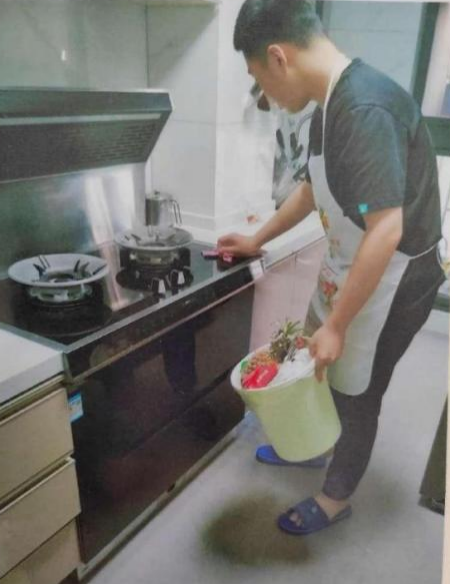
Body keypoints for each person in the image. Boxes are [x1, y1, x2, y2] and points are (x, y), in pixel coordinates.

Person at [217, 0, 446, 536]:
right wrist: (257, 239)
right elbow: (310, 187)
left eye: (260, 80)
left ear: (279, 57)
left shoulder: (365, 109)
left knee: (358, 388)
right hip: (352, 262)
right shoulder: (328, 103)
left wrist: (339, 324)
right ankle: (315, 444)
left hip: (397, 277)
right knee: (316, 363)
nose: (267, 96)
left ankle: (336, 497)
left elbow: (386, 231)